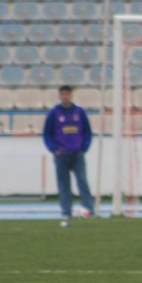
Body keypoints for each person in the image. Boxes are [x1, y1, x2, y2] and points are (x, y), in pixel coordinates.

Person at [42, 85, 96, 227]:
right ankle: (66, 211)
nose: (65, 96)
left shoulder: (79, 112)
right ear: (60, 96)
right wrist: (53, 149)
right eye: (63, 94)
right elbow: (47, 134)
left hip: (77, 153)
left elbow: (87, 132)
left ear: (71, 95)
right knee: (64, 185)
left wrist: (84, 147)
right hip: (61, 155)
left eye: (67, 94)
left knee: (82, 181)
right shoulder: (54, 113)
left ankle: (88, 210)